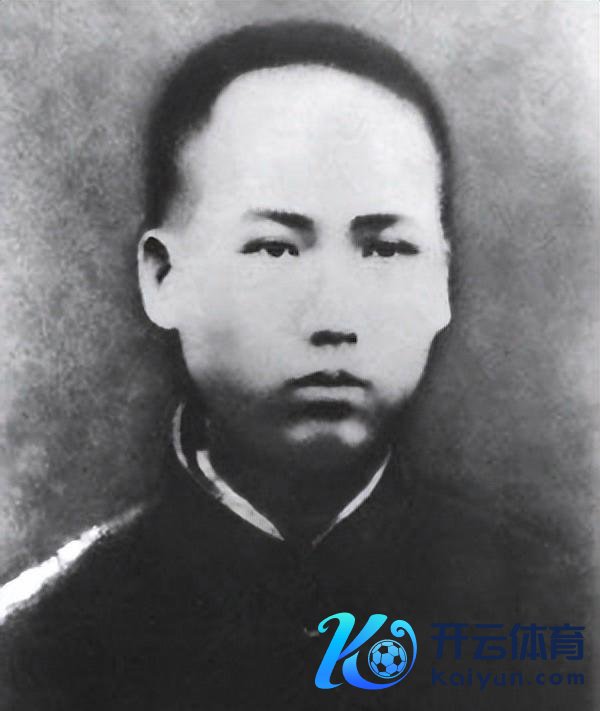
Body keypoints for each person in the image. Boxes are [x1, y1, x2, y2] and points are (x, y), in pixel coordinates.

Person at [0, 20, 589, 711]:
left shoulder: (559, 615)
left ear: (441, 283)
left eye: (386, 248)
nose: (333, 316)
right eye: (275, 248)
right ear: (163, 277)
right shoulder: (37, 645)